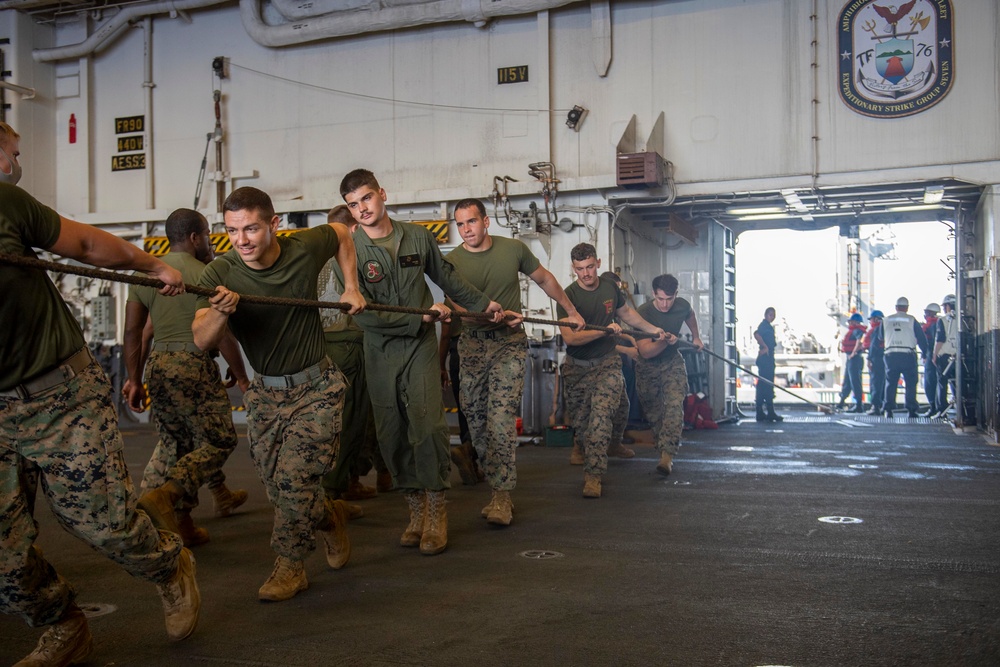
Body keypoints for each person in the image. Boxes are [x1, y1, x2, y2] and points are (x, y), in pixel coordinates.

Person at [1, 180, 201, 665]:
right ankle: (61, 625)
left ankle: (169, 566)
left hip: (59, 392)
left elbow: (87, 244)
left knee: (103, 523)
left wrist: (153, 265)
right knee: (4, 557)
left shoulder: (4, 203)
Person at [192, 186, 364, 602]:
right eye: (232, 231)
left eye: (251, 228)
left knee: (293, 480)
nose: (242, 240)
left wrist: (352, 287)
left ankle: (290, 566)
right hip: (266, 396)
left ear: (274, 224)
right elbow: (200, 338)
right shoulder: (221, 272)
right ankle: (329, 517)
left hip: (316, 388)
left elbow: (342, 233)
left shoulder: (303, 246)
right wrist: (219, 311)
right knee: (281, 490)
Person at [340, 170, 503, 554]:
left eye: (365, 198)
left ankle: (436, 511)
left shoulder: (417, 237)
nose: (361, 209)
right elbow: (362, 316)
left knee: (428, 427)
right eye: (352, 204)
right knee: (392, 434)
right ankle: (414, 510)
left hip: (418, 348)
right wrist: (420, 316)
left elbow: (447, 276)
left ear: (381, 194)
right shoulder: (347, 251)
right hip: (379, 350)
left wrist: (483, 305)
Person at [445, 198, 585, 525]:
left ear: (486, 221)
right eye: (461, 224)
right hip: (472, 347)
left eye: (472, 222)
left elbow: (545, 278)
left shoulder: (513, 249)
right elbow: (456, 307)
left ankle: (501, 497)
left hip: (508, 344)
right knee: (477, 425)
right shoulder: (451, 262)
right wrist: (488, 315)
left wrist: (571, 310)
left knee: (500, 420)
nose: (466, 229)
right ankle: (494, 482)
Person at [124, 208, 250, 548]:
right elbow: (220, 334)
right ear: (195, 237)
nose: (209, 240)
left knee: (174, 442)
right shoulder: (206, 273)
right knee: (218, 440)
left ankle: (175, 517)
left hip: (159, 365)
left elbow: (134, 333)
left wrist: (134, 379)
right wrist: (241, 376)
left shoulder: (147, 272)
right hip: (191, 363)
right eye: (207, 234)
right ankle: (166, 497)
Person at [558, 243, 667, 498]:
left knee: (601, 419)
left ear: (597, 263)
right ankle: (587, 455)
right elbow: (571, 339)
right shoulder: (567, 296)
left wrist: (653, 331)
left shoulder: (610, 288)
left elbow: (627, 314)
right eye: (579, 269)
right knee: (584, 427)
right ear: (574, 269)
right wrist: (605, 330)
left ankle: (593, 477)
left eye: (589, 267)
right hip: (577, 369)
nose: (585, 274)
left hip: (607, 364)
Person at [318, 205, 390, 512]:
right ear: (355, 228)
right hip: (352, 345)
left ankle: (345, 482)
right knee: (351, 421)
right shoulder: (357, 256)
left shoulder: (316, 259)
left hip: (322, 348)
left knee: (330, 420)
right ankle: (333, 494)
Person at [634, 273, 702, 476]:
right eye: (660, 299)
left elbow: (689, 315)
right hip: (647, 367)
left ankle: (667, 456)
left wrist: (697, 338)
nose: (665, 305)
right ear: (653, 294)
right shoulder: (643, 313)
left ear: (676, 295)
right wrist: (664, 341)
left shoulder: (681, 305)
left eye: (669, 299)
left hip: (672, 362)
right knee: (655, 414)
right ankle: (663, 447)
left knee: (674, 406)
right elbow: (645, 351)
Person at [438, 315, 483, 485]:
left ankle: (470, 458)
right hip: (479, 349)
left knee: (464, 408)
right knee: (484, 409)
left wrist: (441, 366)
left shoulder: (449, 300)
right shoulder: (480, 296)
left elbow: (444, 336)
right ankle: (469, 450)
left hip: (457, 353)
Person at [874, 296, 927, 418]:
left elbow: (880, 337)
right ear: (907, 308)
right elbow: (921, 339)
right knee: (910, 383)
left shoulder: (886, 320)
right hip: (908, 355)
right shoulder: (912, 320)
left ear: (896, 307)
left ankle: (888, 410)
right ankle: (912, 410)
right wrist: (924, 353)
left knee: (890, 383)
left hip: (891, 355)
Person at [753, 306, 783, 422]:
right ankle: (768, 412)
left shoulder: (768, 326)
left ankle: (762, 412)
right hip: (766, 359)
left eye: (774, 315)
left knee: (763, 385)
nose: (773, 317)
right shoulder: (764, 326)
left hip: (768, 358)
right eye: (771, 314)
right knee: (766, 384)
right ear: (766, 315)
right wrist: (765, 347)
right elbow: (756, 334)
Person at [932, 294, 959, 419]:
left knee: (942, 382)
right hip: (958, 356)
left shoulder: (942, 320)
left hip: (944, 356)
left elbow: (940, 339)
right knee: (957, 383)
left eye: (944, 307)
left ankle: (941, 410)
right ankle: (959, 408)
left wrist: (935, 354)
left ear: (948, 306)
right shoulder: (962, 319)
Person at [836, 313, 867, 413]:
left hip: (855, 359)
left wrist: (853, 352)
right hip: (851, 358)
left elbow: (859, 341)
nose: (849, 323)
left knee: (855, 382)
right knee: (848, 381)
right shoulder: (853, 331)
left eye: (851, 321)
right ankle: (841, 402)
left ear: (855, 322)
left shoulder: (857, 331)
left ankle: (858, 405)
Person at [863, 310, 885, 415]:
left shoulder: (875, 330)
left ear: (876, 319)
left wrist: (869, 359)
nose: (870, 322)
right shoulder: (886, 329)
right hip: (886, 357)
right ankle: (884, 406)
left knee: (875, 383)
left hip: (876, 358)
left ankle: (875, 406)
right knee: (884, 382)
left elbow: (873, 346)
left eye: (871, 319)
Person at [920, 302, 940, 416]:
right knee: (938, 382)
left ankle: (933, 407)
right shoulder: (940, 323)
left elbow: (930, 342)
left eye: (926, 313)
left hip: (931, 356)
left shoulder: (931, 326)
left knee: (929, 382)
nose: (925, 315)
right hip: (938, 356)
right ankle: (938, 407)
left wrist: (925, 355)